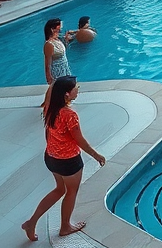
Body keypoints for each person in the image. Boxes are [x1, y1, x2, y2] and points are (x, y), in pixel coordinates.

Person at [21, 76, 106, 241]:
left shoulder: (49, 108)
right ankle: (65, 226)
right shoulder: (69, 115)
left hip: (51, 158)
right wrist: (97, 155)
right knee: (71, 192)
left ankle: (31, 222)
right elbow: (79, 140)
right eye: (76, 87)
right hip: (68, 162)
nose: (78, 88)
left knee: (60, 189)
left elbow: (48, 132)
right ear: (66, 94)